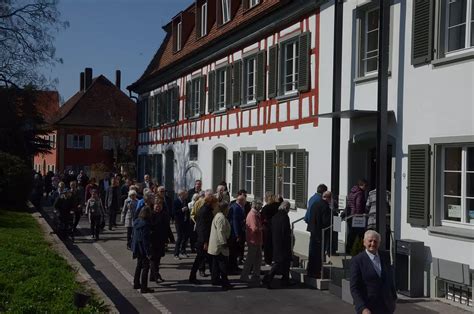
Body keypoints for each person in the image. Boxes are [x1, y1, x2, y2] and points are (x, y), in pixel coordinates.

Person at [350, 230, 397, 314]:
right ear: (364, 242)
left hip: (386, 307)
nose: (373, 243)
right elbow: (354, 288)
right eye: (370, 241)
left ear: (379, 243)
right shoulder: (357, 261)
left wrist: (393, 298)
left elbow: (390, 278)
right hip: (369, 308)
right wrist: (362, 308)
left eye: (375, 241)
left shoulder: (385, 256)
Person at [262, 201, 293, 289]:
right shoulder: (284, 217)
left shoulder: (275, 216)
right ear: (286, 208)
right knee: (278, 262)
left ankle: (285, 279)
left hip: (276, 242)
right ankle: (268, 278)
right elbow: (285, 232)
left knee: (285, 262)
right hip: (283, 243)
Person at [189, 194, 216, 285]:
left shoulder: (206, 210)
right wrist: (205, 242)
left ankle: (214, 278)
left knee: (208, 259)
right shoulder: (204, 211)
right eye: (214, 203)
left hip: (205, 239)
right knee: (200, 259)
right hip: (203, 240)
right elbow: (202, 228)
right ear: (210, 203)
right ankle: (192, 277)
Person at [306, 191, 333, 278]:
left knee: (312, 252)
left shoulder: (315, 204)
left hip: (313, 231)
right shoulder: (325, 206)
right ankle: (316, 272)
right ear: (328, 198)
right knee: (318, 254)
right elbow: (325, 222)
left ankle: (310, 271)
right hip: (320, 232)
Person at [208, 202, 232, 290]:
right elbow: (220, 232)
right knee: (223, 265)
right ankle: (225, 283)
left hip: (216, 245)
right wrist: (223, 243)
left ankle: (215, 280)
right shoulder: (221, 217)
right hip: (219, 246)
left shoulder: (218, 215)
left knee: (215, 264)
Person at [149, 197, 172, 283]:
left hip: (161, 240)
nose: (158, 207)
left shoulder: (164, 214)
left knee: (158, 259)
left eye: (159, 205)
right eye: (156, 206)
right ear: (153, 206)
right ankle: (156, 275)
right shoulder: (151, 215)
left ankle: (152, 276)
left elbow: (167, 227)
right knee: (153, 259)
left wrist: (170, 238)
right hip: (153, 240)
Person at [132, 203, 153, 294]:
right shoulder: (145, 224)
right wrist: (148, 253)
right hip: (142, 249)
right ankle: (144, 287)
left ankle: (136, 283)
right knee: (145, 267)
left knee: (139, 265)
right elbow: (145, 240)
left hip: (136, 247)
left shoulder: (137, 221)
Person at [241, 200, 263, 284]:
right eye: (260, 205)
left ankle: (256, 275)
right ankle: (244, 276)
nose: (261, 207)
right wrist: (262, 228)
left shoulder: (256, 214)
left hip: (257, 240)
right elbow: (254, 228)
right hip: (253, 240)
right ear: (256, 206)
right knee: (250, 259)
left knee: (258, 258)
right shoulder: (252, 215)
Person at [346, 179, 369, 253]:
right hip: (357, 216)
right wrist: (360, 214)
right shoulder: (360, 193)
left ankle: (348, 248)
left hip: (351, 215)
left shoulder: (352, 192)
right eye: (365, 186)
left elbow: (349, 203)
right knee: (359, 233)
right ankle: (359, 249)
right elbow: (358, 204)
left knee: (352, 233)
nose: (366, 188)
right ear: (361, 185)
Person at [227, 194, 246, 273]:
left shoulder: (237, 207)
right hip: (234, 233)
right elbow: (235, 222)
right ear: (241, 201)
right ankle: (232, 268)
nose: (245, 202)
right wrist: (237, 234)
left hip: (236, 232)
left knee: (235, 251)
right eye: (244, 200)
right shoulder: (236, 208)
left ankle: (234, 266)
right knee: (233, 252)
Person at [261, 192, 281, 265]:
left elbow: (262, 217)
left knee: (267, 245)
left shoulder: (266, 208)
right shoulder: (277, 206)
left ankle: (268, 261)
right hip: (276, 227)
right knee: (274, 244)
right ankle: (274, 258)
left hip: (267, 228)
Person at [173, 190, 191, 259]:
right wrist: (181, 210)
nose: (186, 196)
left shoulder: (186, 201)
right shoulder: (176, 201)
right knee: (180, 237)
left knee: (185, 237)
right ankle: (176, 253)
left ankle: (183, 251)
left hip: (185, 221)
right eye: (185, 194)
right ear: (181, 195)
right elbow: (174, 212)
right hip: (179, 222)